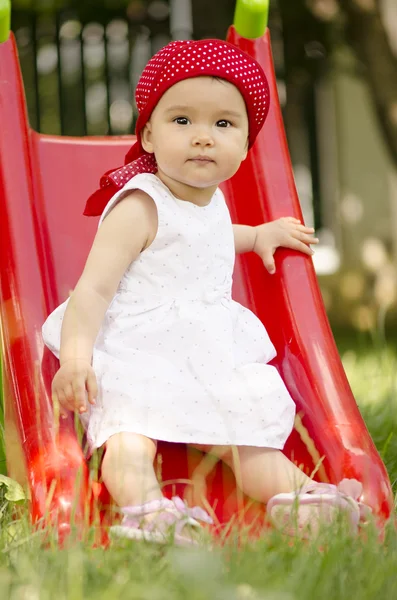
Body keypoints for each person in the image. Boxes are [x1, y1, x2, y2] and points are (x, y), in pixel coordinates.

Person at [42, 39, 368, 545]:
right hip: (139, 351)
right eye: (181, 121)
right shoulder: (139, 205)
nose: (202, 138)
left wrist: (258, 235)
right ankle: (148, 514)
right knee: (128, 440)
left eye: (223, 124)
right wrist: (77, 359)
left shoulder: (211, 203)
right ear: (148, 135)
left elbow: (210, 236)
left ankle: (304, 502)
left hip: (205, 353)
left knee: (250, 444)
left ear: (245, 142)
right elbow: (92, 291)